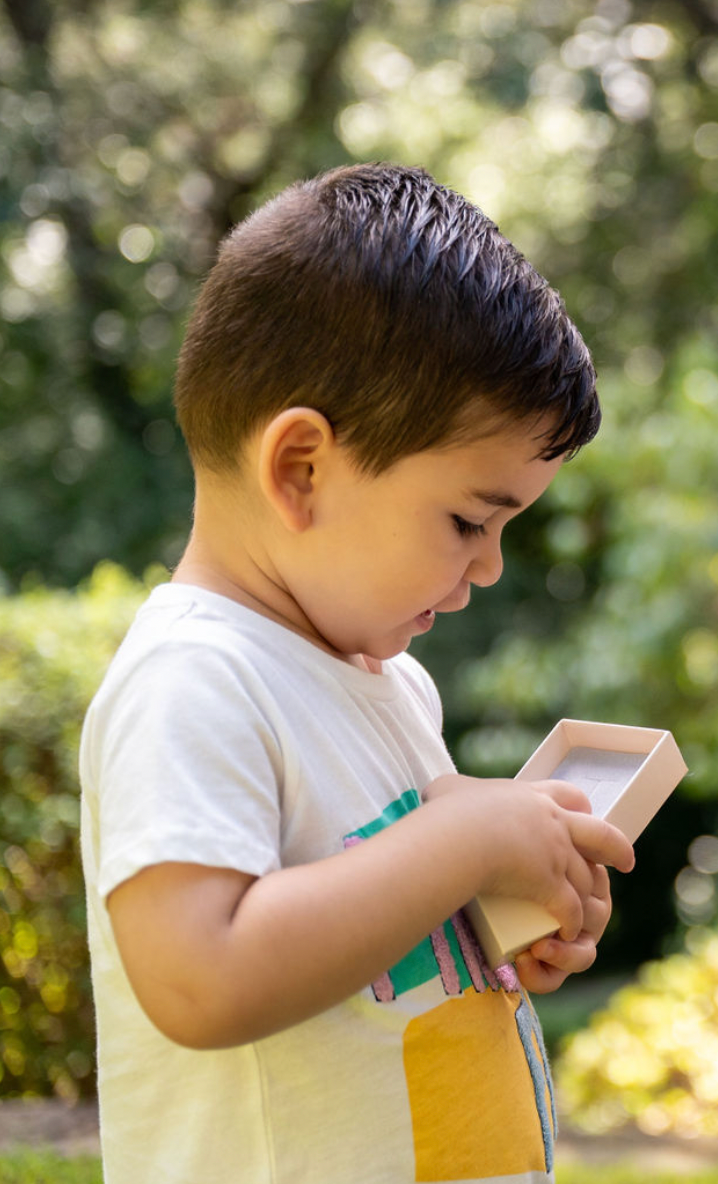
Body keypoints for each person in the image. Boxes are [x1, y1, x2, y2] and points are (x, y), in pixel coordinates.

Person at [78, 163, 633, 1183]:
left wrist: (498, 912)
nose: (489, 565)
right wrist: (459, 841)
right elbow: (204, 975)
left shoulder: (389, 685)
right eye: (470, 518)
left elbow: (368, 935)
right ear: (301, 468)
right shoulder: (195, 678)